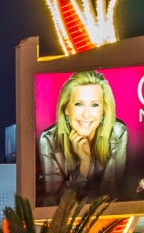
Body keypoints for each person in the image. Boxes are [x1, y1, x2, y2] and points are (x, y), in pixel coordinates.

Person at [36, 69, 128, 204]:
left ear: (103, 110)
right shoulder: (49, 140)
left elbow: (110, 195)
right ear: (66, 109)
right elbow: (55, 203)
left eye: (94, 105)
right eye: (78, 104)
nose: (86, 115)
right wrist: (83, 166)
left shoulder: (118, 132)